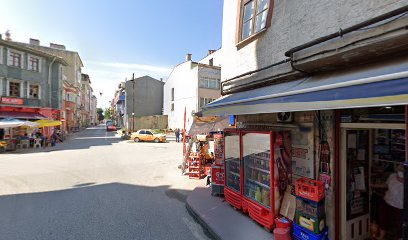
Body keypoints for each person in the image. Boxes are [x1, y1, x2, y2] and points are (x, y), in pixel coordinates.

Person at [375, 164, 404, 240]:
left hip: (400, 206)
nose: (399, 177)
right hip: (387, 202)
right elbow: (386, 185)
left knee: (400, 224)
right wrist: (373, 185)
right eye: (399, 172)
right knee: (383, 220)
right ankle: (381, 236)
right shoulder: (392, 176)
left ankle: (400, 238)